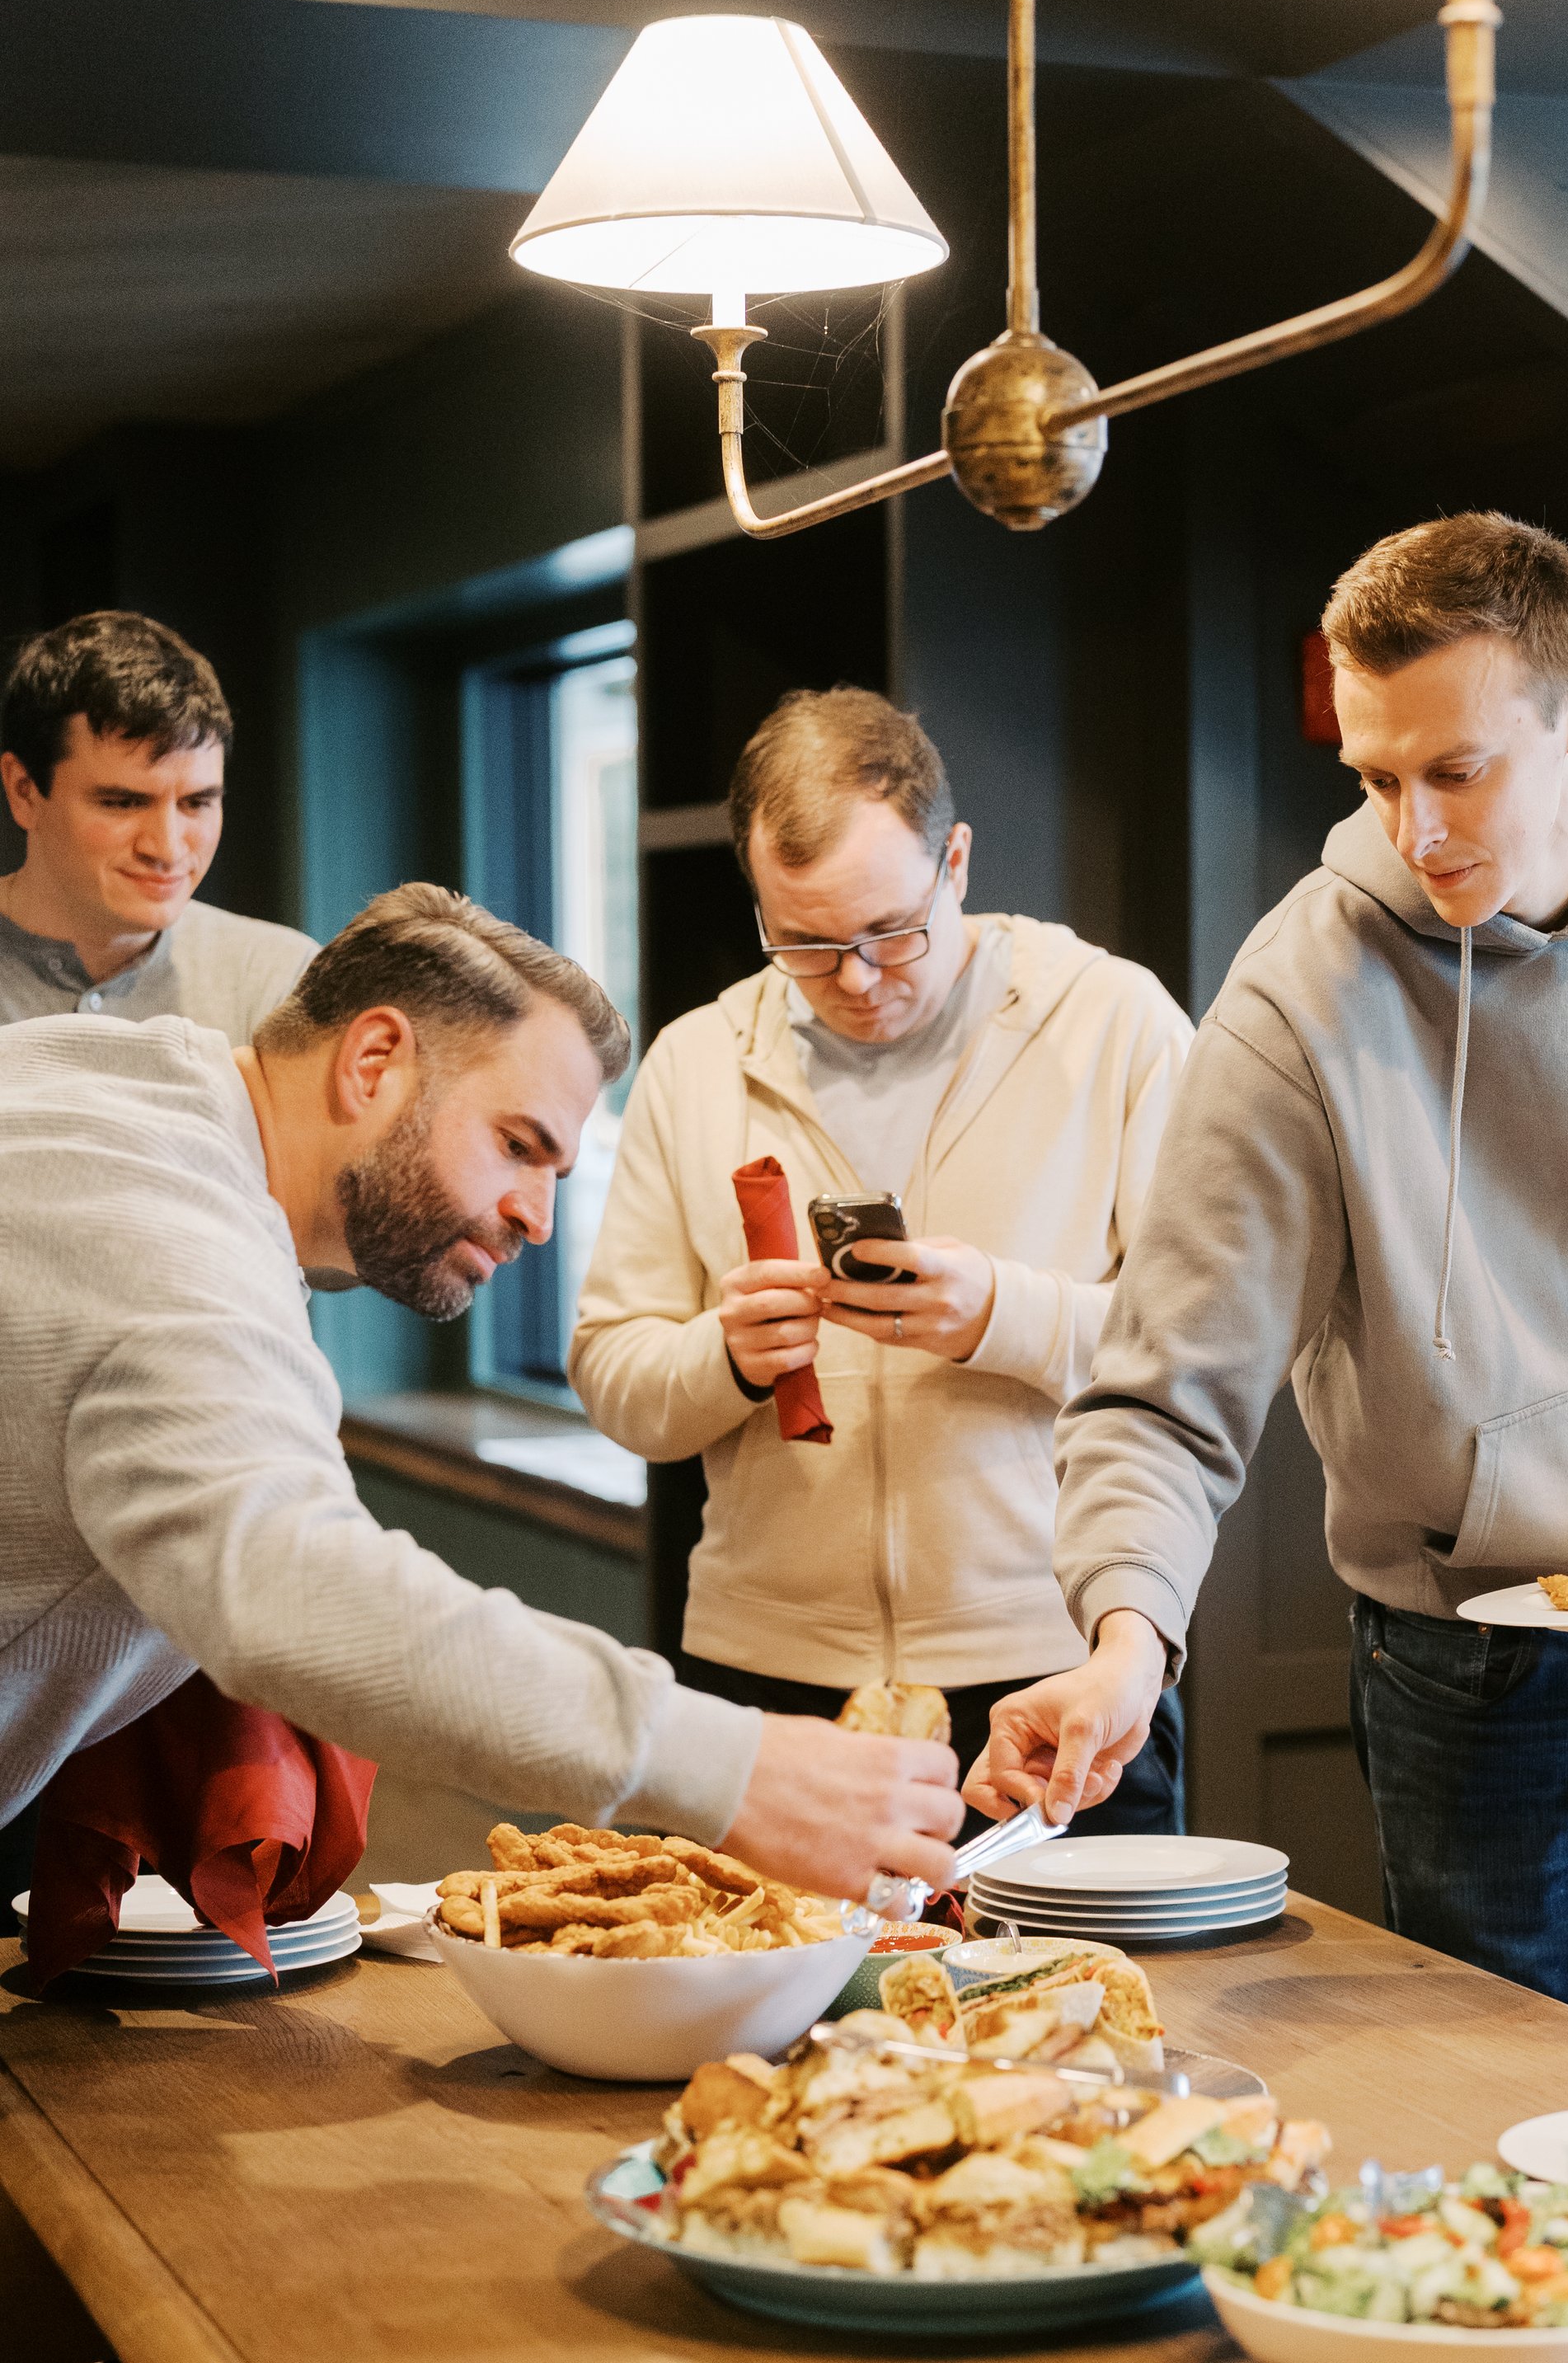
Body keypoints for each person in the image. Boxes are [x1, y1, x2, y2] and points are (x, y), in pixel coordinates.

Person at [969, 513, 1568, 2008]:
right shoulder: (1303, 992)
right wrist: (1125, 1638)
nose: (1414, 830)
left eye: (1455, 770)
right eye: (1374, 778)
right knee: (1502, 2148)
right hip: (1475, 1677)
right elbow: (1168, 1388)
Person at [0, 883, 960, 1912]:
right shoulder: (160, 1227)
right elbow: (294, 1582)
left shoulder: (121, 1093)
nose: (537, 1219)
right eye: (517, 1144)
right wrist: (735, 1769)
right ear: (373, 1061)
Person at [570, 687, 1193, 1830]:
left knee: (1083, 2004)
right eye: (805, 942)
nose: (858, 978)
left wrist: (1003, 1313)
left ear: (956, 859)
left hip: (1056, 1652)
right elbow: (615, 1374)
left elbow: (1207, 1346)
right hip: (767, 1670)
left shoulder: (1114, 1023)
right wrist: (728, 1357)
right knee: (774, 2007)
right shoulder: (697, 1061)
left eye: (892, 932)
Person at [0, 610, 313, 1036]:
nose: (166, 849)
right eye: (123, 803)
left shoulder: (279, 982)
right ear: (24, 791)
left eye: (197, 803)